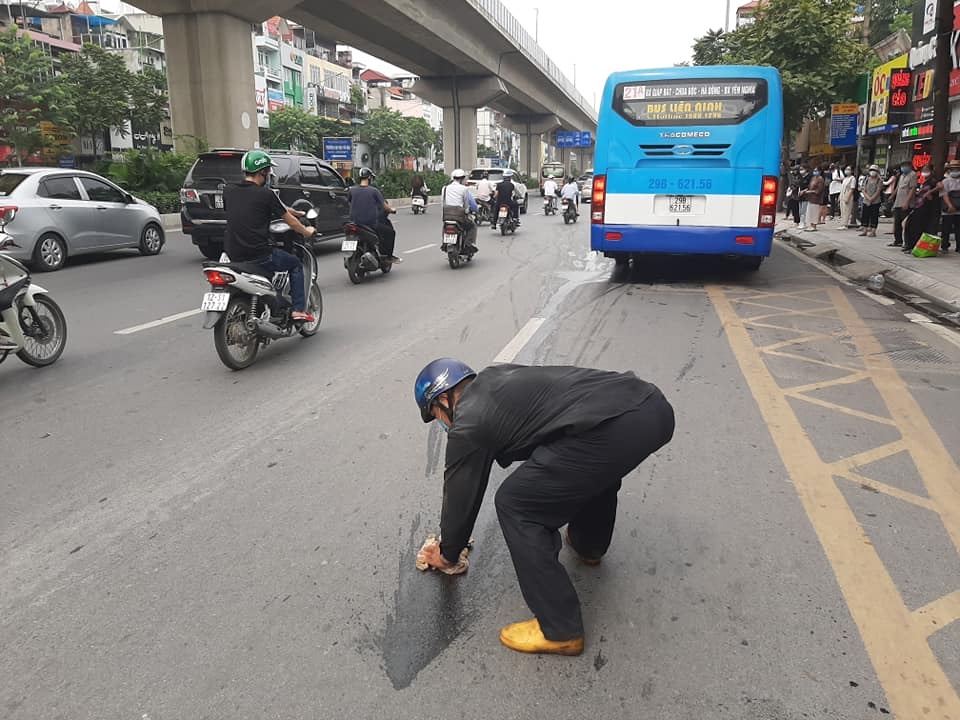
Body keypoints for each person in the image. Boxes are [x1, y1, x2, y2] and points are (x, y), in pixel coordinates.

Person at [413, 359, 675, 655]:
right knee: (588, 466)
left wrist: (448, 554)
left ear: (444, 399)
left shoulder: (468, 421)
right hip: (648, 406)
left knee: (516, 504)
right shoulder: (498, 376)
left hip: (613, 426)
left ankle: (560, 628)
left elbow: (461, 494)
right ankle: (589, 545)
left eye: (434, 413)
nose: (440, 422)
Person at [223, 150, 316, 323]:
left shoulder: (229, 191)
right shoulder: (266, 194)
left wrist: (297, 211)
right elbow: (292, 223)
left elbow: (276, 207)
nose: (269, 176)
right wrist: (306, 231)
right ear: (262, 172)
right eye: (268, 172)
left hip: (233, 254)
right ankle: (297, 311)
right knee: (295, 264)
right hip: (258, 255)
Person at [349, 167, 401, 263]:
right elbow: (385, 207)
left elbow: (349, 202)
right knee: (390, 232)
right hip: (370, 224)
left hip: (354, 223)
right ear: (369, 178)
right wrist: (392, 210)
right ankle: (388, 256)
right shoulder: (374, 191)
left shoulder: (352, 190)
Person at [904, 163, 940, 254]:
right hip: (919, 207)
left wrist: (929, 192)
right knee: (910, 224)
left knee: (916, 227)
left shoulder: (933, 181)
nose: (924, 172)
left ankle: (914, 246)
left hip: (926, 209)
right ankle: (910, 245)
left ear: (931, 171)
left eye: (926, 170)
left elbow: (940, 186)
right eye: (923, 170)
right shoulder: (925, 182)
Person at [441, 168, 479, 252]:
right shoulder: (464, 189)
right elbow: (466, 205)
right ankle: (468, 245)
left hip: (447, 215)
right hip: (459, 216)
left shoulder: (445, 188)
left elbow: (442, 203)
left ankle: (444, 243)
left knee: (445, 227)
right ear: (462, 179)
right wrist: (467, 211)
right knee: (472, 226)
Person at [891, 162, 917, 248]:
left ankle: (907, 243)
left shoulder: (913, 175)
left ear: (910, 166)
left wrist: (907, 202)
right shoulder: (901, 176)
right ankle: (898, 240)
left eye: (905, 166)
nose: (903, 168)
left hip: (906, 203)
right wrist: (892, 195)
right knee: (897, 223)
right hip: (898, 202)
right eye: (902, 166)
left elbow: (912, 189)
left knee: (906, 224)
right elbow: (898, 187)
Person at [939, 160, 960, 253]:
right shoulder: (946, 181)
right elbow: (944, 194)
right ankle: (944, 246)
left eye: (957, 169)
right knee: (946, 229)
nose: (955, 171)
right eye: (953, 169)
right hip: (948, 209)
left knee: (958, 229)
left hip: (959, 209)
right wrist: (950, 205)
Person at [859, 164, 883, 238]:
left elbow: (878, 191)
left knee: (874, 216)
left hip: (875, 201)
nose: (873, 172)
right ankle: (865, 230)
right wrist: (868, 198)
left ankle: (873, 231)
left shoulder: (879, 180)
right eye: (871, 170)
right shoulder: (866, 179)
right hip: (866, 200)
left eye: (874, 170)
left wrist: (871, 199)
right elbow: (863, 189)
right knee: (865, 215)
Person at [803, 166, 824, 231]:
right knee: (810, 212)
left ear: (820, 171)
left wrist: (810, 191)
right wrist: (805, 191)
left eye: (816, 170)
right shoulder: (813, 178)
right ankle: (811, 225)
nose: (815, 172)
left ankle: (814, 226)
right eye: (814, 170)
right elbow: (809, 187)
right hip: (810, 198)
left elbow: (819, 190)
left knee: (814, 212)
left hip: (816, 198)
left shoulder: (820, 179)